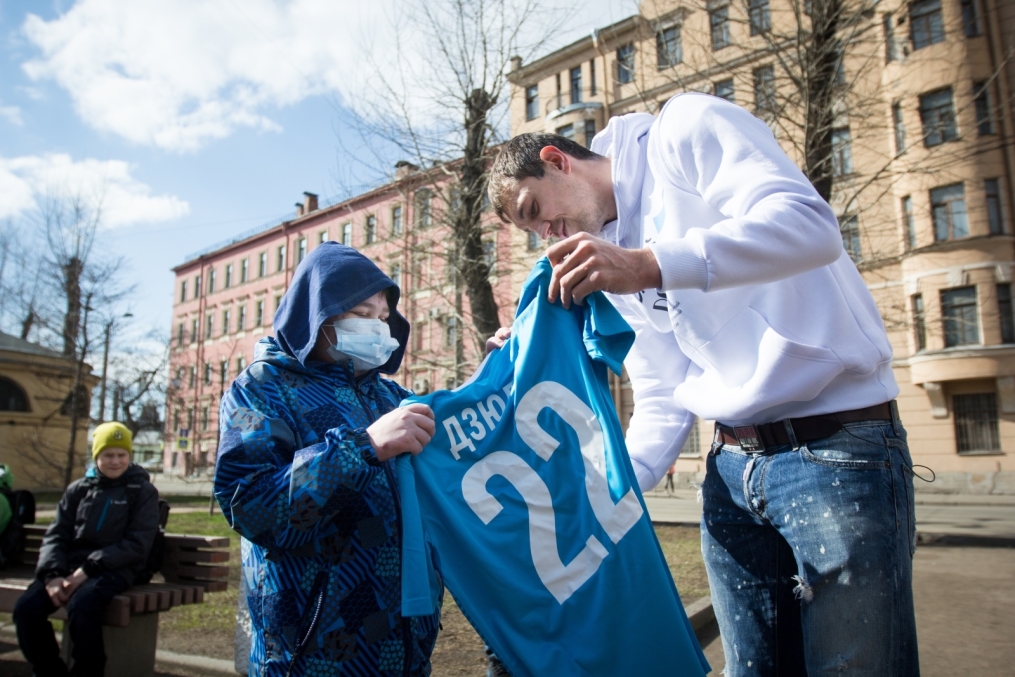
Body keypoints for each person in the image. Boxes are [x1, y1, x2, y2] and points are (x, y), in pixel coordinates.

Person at [487, 93, 918, 676]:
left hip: (836, 447)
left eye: (535, 209)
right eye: (534, 230)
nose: (548, 233)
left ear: (556, 160)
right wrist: (604, 498)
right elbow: (663, 394)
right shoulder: (613, 259)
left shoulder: (684, 130)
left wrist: (650, 264)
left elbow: (810, 226)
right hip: (730, 468)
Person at [214, 242, 442, 677]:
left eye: (382, 317)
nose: (377, 326)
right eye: (361, 313)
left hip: (405, 649)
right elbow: (253, 507)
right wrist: (364, 447)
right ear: (315, 314)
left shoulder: (391, 396)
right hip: (311, 653)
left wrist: (500, 368)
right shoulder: (261, 388)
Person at [14, 421, 159, 677]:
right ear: (96, 456)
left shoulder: (142, 492)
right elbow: (57, 534)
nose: (115, 461)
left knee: (82, 605)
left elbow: (137, 543)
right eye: (108, 455)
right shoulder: (79, 489)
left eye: (121, 455)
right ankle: (49, 671)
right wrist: (52, 575)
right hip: (70, 568)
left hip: (116, 568)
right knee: (26, 609)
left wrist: (88, 569)